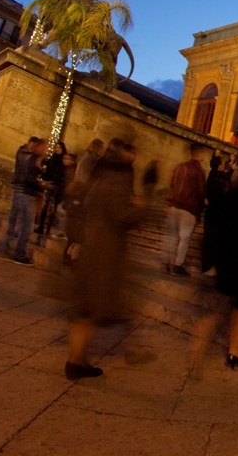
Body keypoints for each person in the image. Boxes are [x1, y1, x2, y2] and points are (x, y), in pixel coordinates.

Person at [65, 138, 147, 380]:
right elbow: (122, 214)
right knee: (96, 305)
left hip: (90, 241)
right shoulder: (119, 177)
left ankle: (76, 359)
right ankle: (80, 359)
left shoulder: (98, 172)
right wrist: (141, 207)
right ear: (128, 152)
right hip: (106, 248)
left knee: (85, 307)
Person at [191, 154, 238, 372]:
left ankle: (197, 348)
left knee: (216, 309)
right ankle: (236, 351)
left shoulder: (227, 196)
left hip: (222, 255)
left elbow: (212, 224)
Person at [0, 136, 48, 265]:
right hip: (27, 193)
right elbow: (28, 177)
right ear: (37, 146)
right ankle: (20, 254)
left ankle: (4, 247)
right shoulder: (32, 158)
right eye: (44, 147)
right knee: (26, 226)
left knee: (13, 222)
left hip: (17, 191)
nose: (45, 150)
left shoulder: (21, 152)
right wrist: (42, 185)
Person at [165, 144, 208, 276]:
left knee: (172, 236)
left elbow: (172, 184)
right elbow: (201, 192)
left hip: (174, 205)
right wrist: (201, 207)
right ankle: (178, 265)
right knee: (184, 238)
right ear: (199, 153)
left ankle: (167, 262)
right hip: (188, 208)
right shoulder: (199, 171)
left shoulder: (179, 167)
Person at [200, 155, 231, 274]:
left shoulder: (210, 176)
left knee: (208, 239)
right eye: (222, 164)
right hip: (218, 213)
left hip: (210, 212)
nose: (224, 166)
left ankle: (206, 266)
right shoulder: (221, 178)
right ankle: (213, 266)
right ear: (219, 166)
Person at [35, 141, 67, 240]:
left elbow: (62, 175)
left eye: (59, 148)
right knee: (44, 206)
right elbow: (47, 171)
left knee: (53, 208)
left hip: (57, 187)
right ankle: (41, 227)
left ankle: (48, 229)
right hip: (49, 185)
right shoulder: (52, 159)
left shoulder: (63, 161)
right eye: (56, 147)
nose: (57, 149)